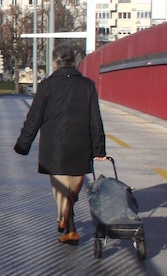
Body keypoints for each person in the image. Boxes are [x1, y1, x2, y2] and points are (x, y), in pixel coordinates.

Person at [14, 44, 107, 246]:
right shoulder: (88, 86)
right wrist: (99, 148)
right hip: (81, 144)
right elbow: (95, 119)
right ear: (74, 62)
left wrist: (24, 144)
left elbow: (34, 118)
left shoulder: (47, 86)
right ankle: (68, 224)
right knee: (74, 187)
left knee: (62, 188)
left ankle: (64, 217)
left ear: (55, 63)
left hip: (54, 144)